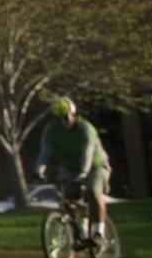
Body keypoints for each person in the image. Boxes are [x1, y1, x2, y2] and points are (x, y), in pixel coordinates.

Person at [36, 96, 111, 243]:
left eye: (65, 118)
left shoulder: (85, 129)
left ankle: (98, 232)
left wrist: (83, 172)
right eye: (58, 119)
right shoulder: (51, 131)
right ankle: (80, 228)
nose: (62, 122)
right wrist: (38, 170)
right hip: (70, 167)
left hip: (95, 165)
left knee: (92, 193)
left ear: (74, 115)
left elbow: (88, 151)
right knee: (66, 199)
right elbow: (45, 152)